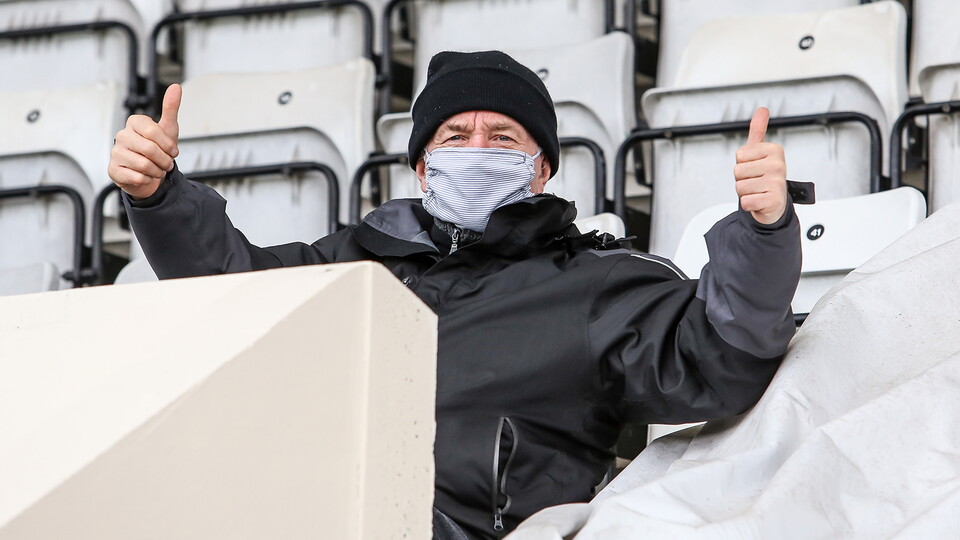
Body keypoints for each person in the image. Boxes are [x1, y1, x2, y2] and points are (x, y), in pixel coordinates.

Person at [108, 51, 801, 540]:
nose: (476, 147)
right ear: (421, 166)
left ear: (541, 169)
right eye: (454, 134)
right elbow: (237, 296)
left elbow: (719, 357)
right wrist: (158, 196)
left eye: (501, 135)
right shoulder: (352, 263)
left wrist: (765, 231)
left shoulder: (598, 284)